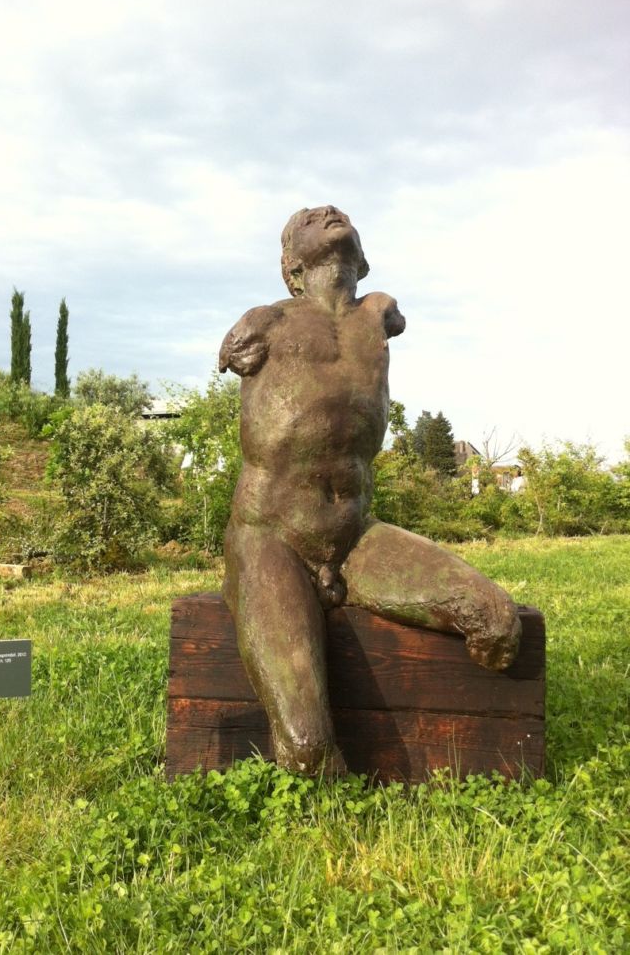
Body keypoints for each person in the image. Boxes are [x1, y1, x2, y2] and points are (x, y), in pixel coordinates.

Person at [219, 205, 521, 775]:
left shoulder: (378, 313)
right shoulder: (266, 321)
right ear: (291, 267)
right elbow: (231, 354)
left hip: (356, 537)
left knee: (497, 623)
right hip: (271, 537)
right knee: (307, 748)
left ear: (362, 256)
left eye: (336, 215)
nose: (328, 213)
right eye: (309, 219)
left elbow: (393, 316)